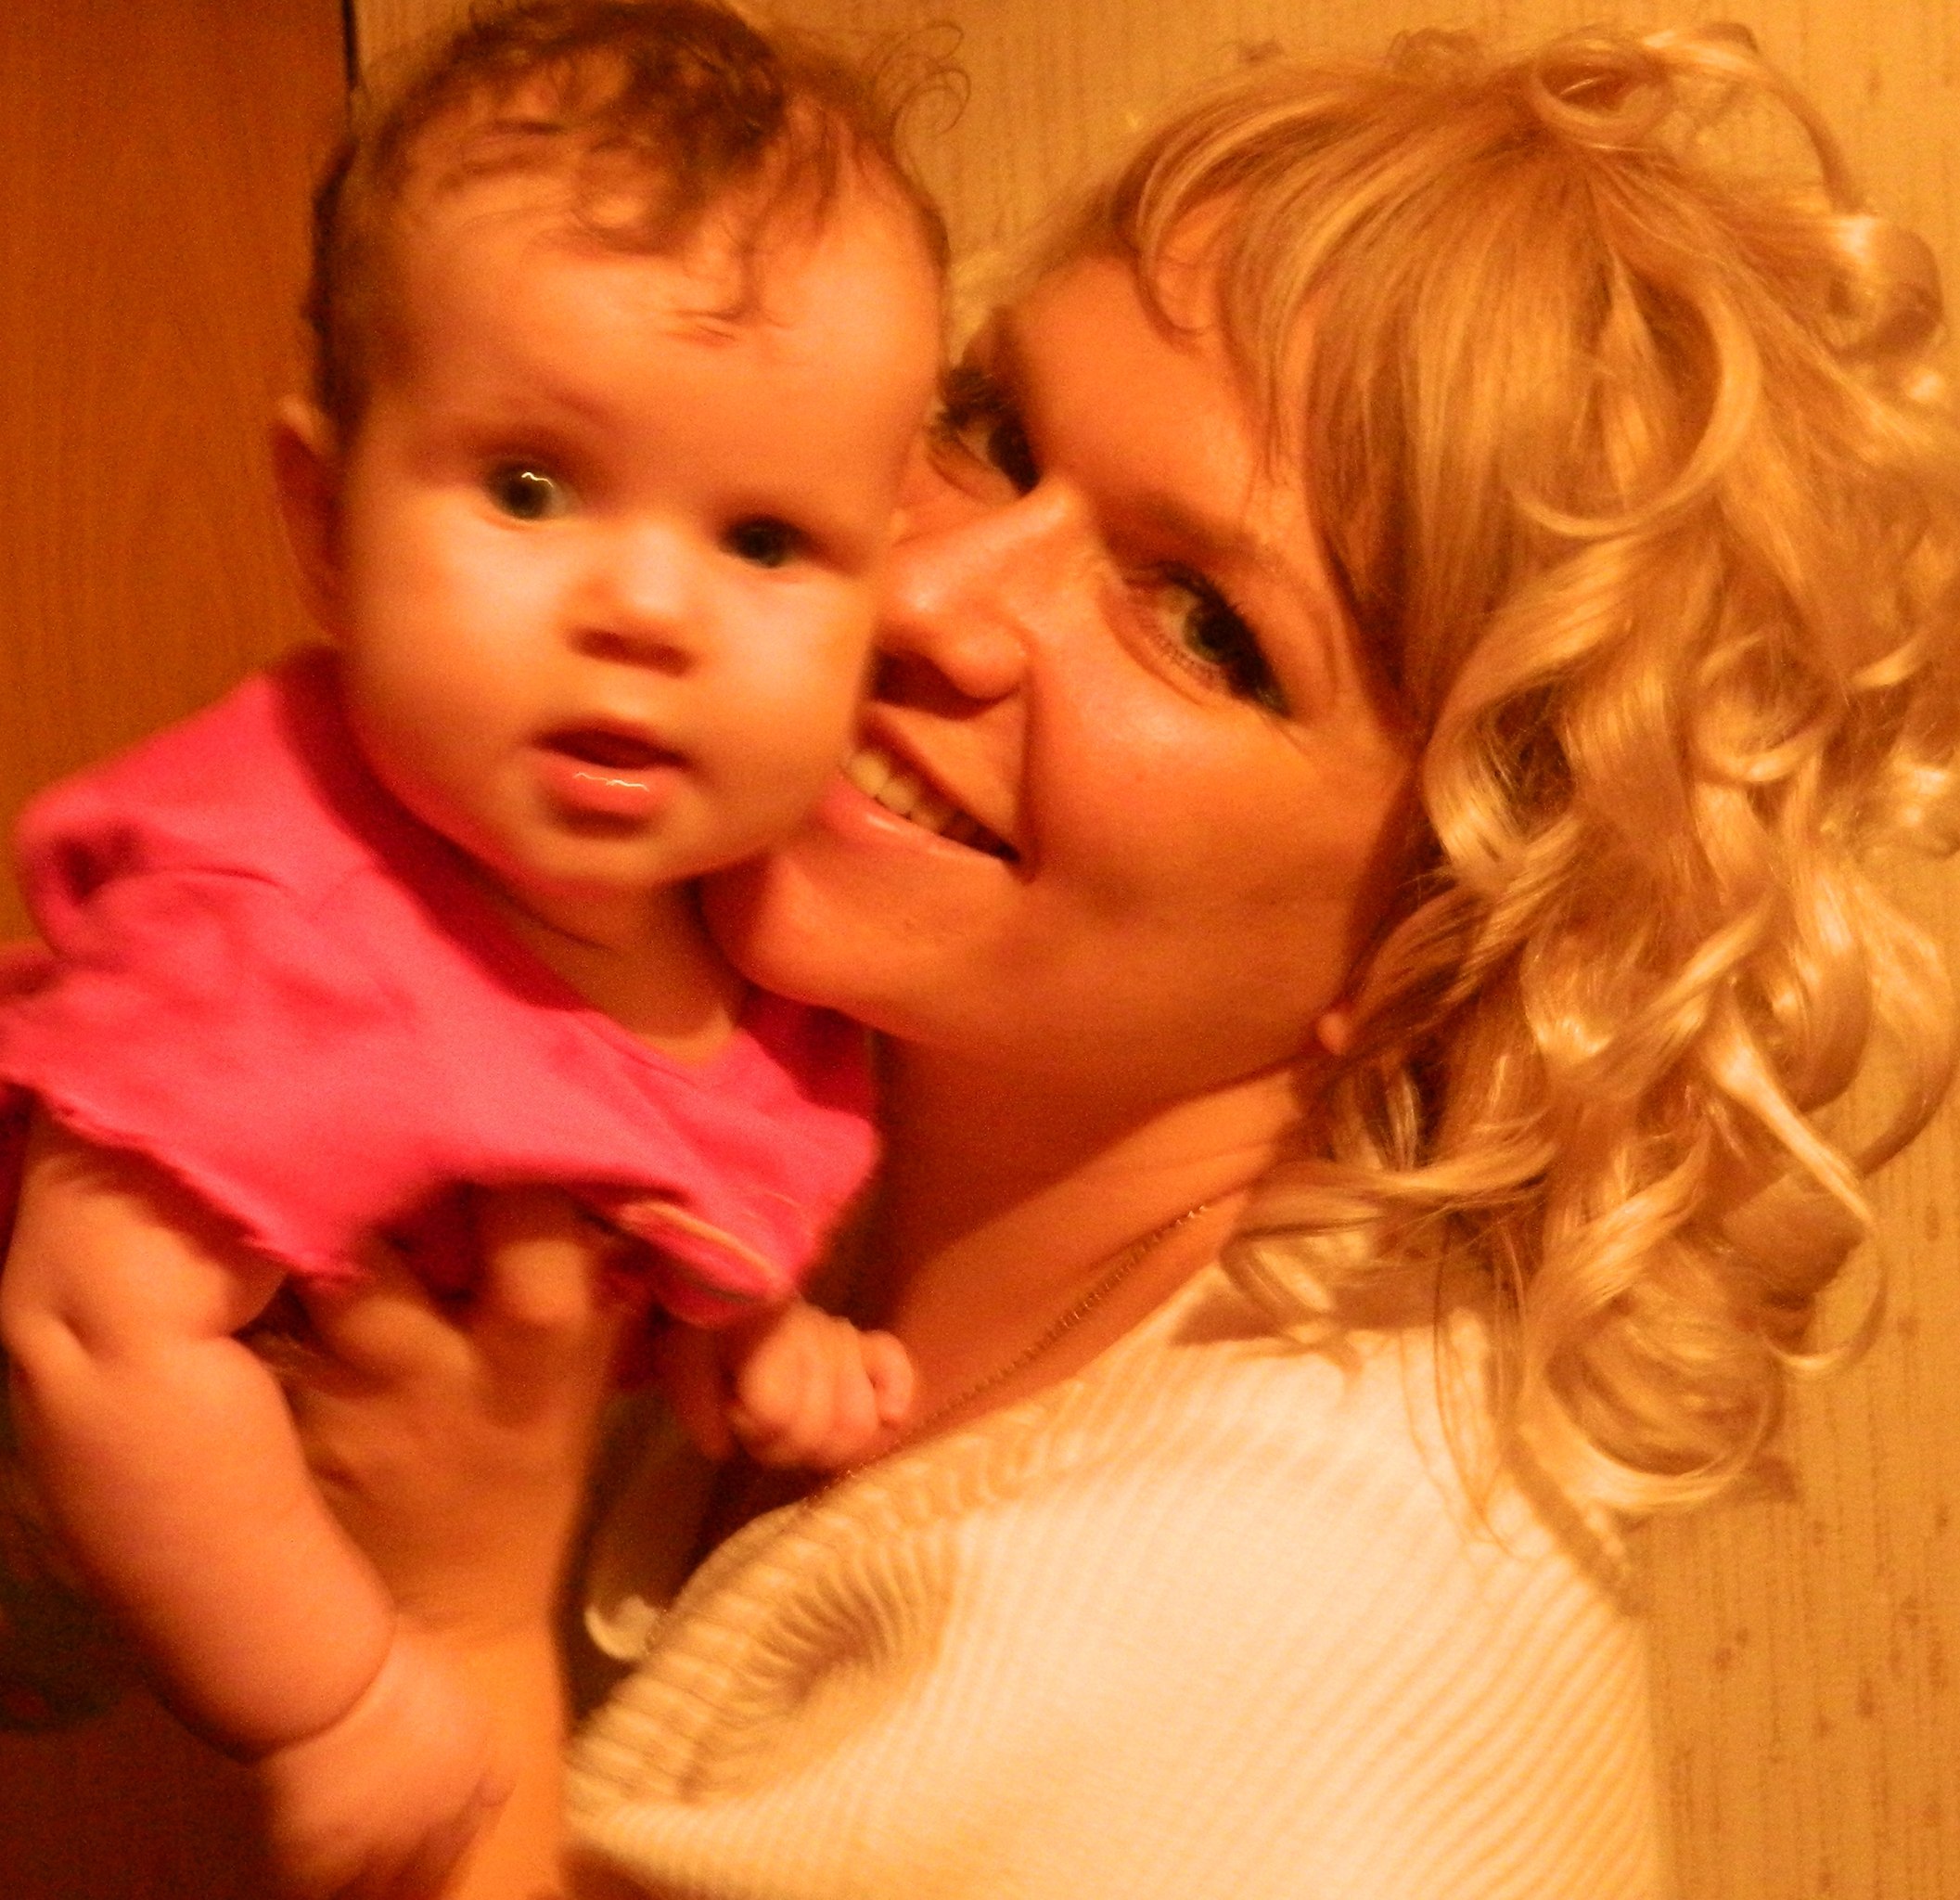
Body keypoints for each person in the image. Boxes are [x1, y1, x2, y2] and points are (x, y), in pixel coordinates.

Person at [35, 17, 1960, 1899]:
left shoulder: (1274, 1684)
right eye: (986, 428)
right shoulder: (748, 1085)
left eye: (1201, 625)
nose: (925, 595)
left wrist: (457, 1628)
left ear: (1449, 939)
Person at [0, 1, 946, 1892]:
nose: (646, 606)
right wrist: (337, 1699)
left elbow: (619, 1180)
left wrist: (750, 1336)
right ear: (324, 522)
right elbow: (93, 1326)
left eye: (766, 538)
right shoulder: (281, 921)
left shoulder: (743, 910)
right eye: (529, 486)